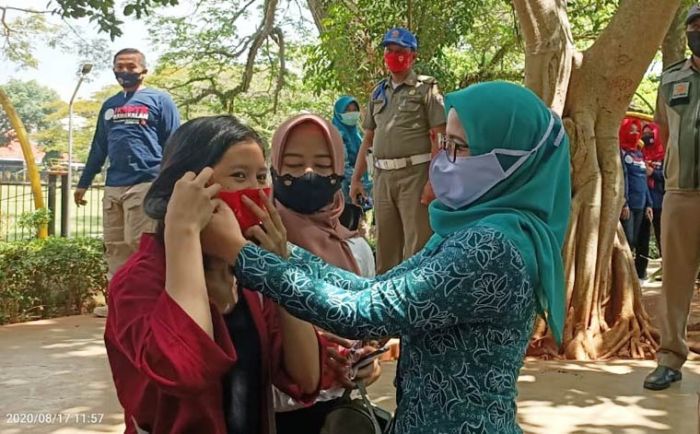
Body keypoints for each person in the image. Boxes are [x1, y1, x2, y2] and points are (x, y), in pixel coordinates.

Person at [209, 82, 572, 433]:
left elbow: (363, 312)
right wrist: (280, 252)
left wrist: (241, 255)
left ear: (513, 161)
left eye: (459, 147)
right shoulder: (470, 231)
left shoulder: (491, 247)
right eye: (444, 142)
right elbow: (375, 290)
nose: (443, 157)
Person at [104, 115, 322, 434]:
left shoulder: (249, 281)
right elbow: (184, 370)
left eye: (262, 176)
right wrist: (184, 231)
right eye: (239, 175)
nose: (256, 190)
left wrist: (279, 271)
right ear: (187, 189)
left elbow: (305, 377)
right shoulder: (137, 283)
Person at [269, 113, 382, 434]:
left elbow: (364, 337)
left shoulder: (357, 250)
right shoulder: (250, 242)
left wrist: (364, 367)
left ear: (338, 170)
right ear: (274, 166)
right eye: (293, 163)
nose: (307, 173)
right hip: (268, 414)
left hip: (335, 415)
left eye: (321, 165)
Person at [75, 48, 181, 317]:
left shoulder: (159, 101)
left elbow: (175, 145)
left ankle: (147, 303)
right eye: (119, 66)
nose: (124, 72)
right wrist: (83, 183)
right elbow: (99, 147)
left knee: (140, 244)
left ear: (143, 70)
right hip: (114, 186)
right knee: (115, 246)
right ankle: (120, 305)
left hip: (147, 182)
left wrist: (171, 183)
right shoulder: (110, 106)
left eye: (131, 66)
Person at [349, 27, 446, 273]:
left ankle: (419, 304)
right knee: (386, 247)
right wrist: (356, 179)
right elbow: (367, 138)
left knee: (417, 246)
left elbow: (439, 137)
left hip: (416, 175)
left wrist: (434, 181)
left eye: (400, 51)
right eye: (389, 51)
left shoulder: (426, 89)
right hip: (382, 177)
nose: (393, 56)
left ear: (412, 56)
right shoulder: (378, 92)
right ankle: (385, 304)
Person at [643, 4, 700, 391]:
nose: (698, 31)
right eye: (694, 26)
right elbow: (663, 130)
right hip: (682, 192)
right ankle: (670, 359)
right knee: (676, 279)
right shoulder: (671, 78)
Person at [619, 118, 654, 274]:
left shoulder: (639, 153)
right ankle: (624, 273)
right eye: (631, 130)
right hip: (628, 205)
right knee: (627, 240)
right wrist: (623, 202)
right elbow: (623, 178)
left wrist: (649, 204)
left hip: (641, 204)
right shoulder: (621, 153)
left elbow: (643, 180)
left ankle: (632, 276)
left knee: (635, 242)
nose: (634, 133)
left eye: (636, 130)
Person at [635, 123, 665, 281]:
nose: (647, 136)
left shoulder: (664, 154)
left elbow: (669, 178)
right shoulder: (640, 153)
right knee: (642, 238)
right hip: (644, 202)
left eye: (650, 133)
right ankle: (640, 272)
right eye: (644, 133)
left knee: (663, 238)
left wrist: (654, 173)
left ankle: (666, 269)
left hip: (660, 202)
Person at [333, 96, 373, 210]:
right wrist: (360, 181)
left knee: (360, 213)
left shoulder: (357, 133)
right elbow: (343, 166)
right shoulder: (337, 134)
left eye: (354, 110)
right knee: (347, 219)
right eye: (347, 110)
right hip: (343, 186)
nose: (352, 113)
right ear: (338, 113)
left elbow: (366, 154)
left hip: (359, 183)